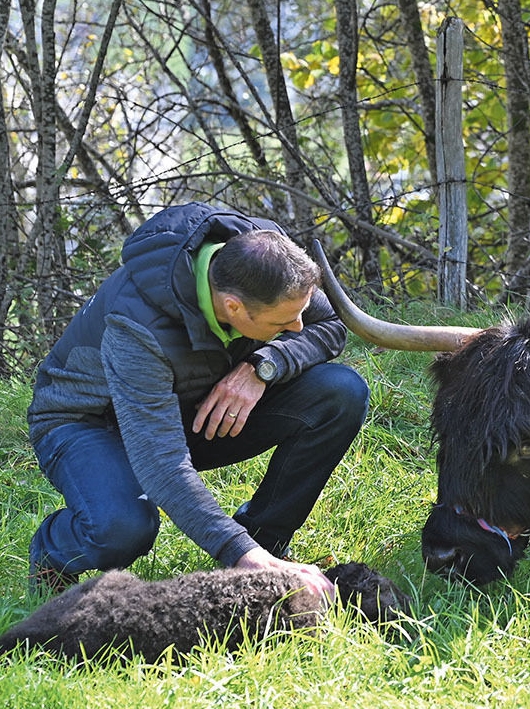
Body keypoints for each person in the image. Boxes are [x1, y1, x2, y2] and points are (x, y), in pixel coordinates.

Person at [25, 202, 369, 600]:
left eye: (299, 314)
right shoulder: (136, 325)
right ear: (233, 307)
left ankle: (265, 548)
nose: (296, 327)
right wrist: (235, 550)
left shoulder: (268, 259)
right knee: (123, 527)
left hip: (194, 404)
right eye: (281, 324)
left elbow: (328, 326)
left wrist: (263, 365)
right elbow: (161, 462)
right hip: (92, 423)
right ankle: (55, 553)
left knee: (340, 392)